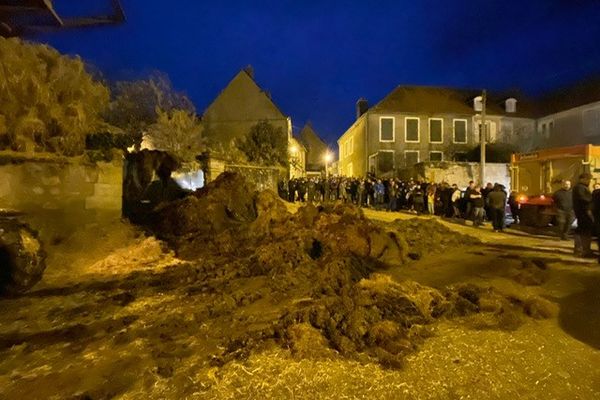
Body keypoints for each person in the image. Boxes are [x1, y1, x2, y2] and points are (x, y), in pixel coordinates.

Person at [573, 173, 594, 258]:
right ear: (583, 179)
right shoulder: (579, 187)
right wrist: (593, 200)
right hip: (583, 213)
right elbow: (583, 199)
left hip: (583, 212)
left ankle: (584, 249)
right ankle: (582, 250)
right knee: (583, 231)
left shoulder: (581, 187)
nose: (589, 181)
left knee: (583, 230)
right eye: (588, 179)